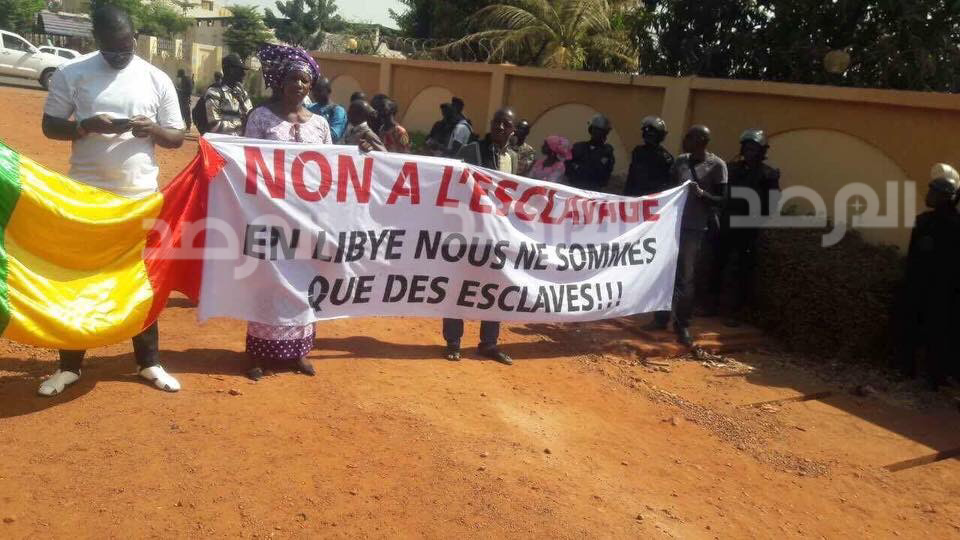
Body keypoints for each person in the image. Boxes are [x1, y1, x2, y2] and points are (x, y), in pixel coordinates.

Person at [38, 5, 185, 396]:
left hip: (139, 198)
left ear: (135, 37)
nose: (120, 55)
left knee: (141, 281)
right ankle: (69, 366)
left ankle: (148, 362)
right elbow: (50, 126)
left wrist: (153, 129)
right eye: (111, 49)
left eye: (125, 46)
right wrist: (85, 126)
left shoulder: (155, 78)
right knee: (80, 279)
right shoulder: (72, 73)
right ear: (97, 41)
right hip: (86, 198)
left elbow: (176, 136)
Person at [242, 44, 333, 381]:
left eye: (305, 80)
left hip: (308, 216)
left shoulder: (320, 124)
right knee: (267, 280)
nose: (299, 85)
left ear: (311, 85)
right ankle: (258, 354)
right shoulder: (261, 117)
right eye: (293, 78)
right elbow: (246, 162)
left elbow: (333, 168)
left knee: (303, 280)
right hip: (269, 213)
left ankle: (299, 351)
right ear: (281, 81)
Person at [442, 107, 519, 366]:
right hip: (467, 230)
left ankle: (489, 343)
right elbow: (453, 182)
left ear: (513, 130)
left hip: (497, 234)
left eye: (506, 124)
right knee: (458, 285)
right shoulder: (472, 151)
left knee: (495, 287)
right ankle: (453, 342)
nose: (500, 127)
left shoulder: (513, 158)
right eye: (497, 121)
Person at [648, 125, 728, 346]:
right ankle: (660, 318)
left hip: (695, 227)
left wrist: (701, 194)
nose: (684, 141)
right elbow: (670, 187)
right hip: (671, 225)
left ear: (701, 140)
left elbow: (722, 200)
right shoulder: (680, 161)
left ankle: (682, 325)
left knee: (685, 276)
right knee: (664, 272)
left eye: (689, 138)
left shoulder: (717, 165)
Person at [894, 163, 960, 389]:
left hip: (942, 289)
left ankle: (935, 375)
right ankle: (909, 369)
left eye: (934, 192)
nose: (928, 195)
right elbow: (913, 256)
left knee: (938, 333)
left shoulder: (951, 226)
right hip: (922, 286)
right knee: (912, 327)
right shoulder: (924, 221)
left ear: (945, 198)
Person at [710, 129, 780, 325]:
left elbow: (772, 204)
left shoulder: (768, 174)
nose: (749, 152)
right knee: (716, 265)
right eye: (747, 147)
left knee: (741, 272)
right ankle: (710, 306)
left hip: (747, 231)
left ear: (762, 151)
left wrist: (756, 221)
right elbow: (719, 193)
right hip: (726, 225)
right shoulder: (730, 169)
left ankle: (734, 313)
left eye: (754, 148)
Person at [202, 53, 252, 136]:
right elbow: (214, 126)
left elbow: (251, 118)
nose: (244, 74)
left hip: (241, 142)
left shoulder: (242, 92)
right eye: (240, 70)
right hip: (221, 143)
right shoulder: (214, 92)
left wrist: (242, 102)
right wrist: (241, 123)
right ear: (231, 70)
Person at [624, 116, 675, 196]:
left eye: (651, 133)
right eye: (646, 132)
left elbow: (667, 184)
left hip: (652, 198)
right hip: (634, 196)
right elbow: (632, 176)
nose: (648, 135)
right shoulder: (638, 151)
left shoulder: (665, 158)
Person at [566, 114, 615, 191]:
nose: (598, 133)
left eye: (601, 131)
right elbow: (568, 166)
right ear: (591, 130)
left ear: (605, 133)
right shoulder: (578, 147)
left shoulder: (607, 152)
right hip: (575, 189)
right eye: (595, 130)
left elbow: (605, 176)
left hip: (593, 192)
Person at [308, 76, 347, 142]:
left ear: (329, 91)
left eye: (319, 90)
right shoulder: (310, 108)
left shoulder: (338, 111)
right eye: (313, 90)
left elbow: (334, 135)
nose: (315, 93)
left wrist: (309, 133)